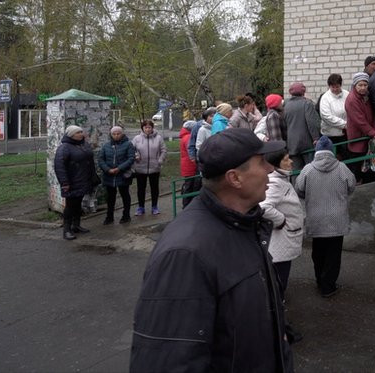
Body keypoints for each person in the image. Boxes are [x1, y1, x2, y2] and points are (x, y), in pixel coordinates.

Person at [130, 129, 292, 371]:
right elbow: (166, 359)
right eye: (262, 162)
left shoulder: (244, 224)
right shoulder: (185, 253)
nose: (270, 169)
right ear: (235, 178)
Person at [296, 136, 356, 298]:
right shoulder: (342, 168)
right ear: (331, 151)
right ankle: (328, 286)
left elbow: (299, 189)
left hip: (316, 219)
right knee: (333, 255)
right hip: (337, 220)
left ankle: (319, 280)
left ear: (317, 152)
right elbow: (352, 186)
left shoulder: (308, 169)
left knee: (318, 252)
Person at [259, 146, 305, 344]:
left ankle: (278, 328)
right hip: (280, 247)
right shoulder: (276, 183)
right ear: (276, 164)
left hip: (284, 244)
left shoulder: (282, 179)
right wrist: (281, 220)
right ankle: (278, 331)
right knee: (277, 289)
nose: (291, 161)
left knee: (278, 288)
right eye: (287, 159)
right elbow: (263, 207)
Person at [54, 125, 98, 240]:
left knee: (78, 204)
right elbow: (59, 167)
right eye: (78, 132)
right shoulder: (64, 148)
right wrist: (64, 183)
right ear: (71, 135)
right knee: (70, 206)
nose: (81, 134)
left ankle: (76, 226)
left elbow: (90, 161)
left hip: (83, 180)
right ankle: (66, 230)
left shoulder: (83, 144)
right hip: (72, 182)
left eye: (81, 132)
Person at [344, 72, 375, 183]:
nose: (363, 88)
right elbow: (359, 120)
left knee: (367, 165)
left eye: (365, 85)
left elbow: (371, 116)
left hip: (366, 137)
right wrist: (372, 132)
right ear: (355, 85)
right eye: (360, 85)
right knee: (356, 165)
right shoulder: (352, 99)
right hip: (357, 137)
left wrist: (373, 130)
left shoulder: (366, 97)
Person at [97, 126, 136, 225]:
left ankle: (126, 216)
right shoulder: (106, 146)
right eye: (114, 134)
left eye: (118, 133)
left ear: (122, 134)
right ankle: (109, 217)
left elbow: (131, 158)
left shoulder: (128, 144)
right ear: (111, 134)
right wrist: (107, 169)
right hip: (109, 175)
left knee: (125, 195)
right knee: (110, 197)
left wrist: (119, 168)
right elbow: (101, 159)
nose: (116, 135)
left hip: (123, 175)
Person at [131, 119, 166, 216]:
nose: (147, 129)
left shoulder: (158, 138)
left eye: (149, 127)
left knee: (154, 188)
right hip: (140, 168)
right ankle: (140, 207)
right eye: (145, 127)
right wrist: (135, 156)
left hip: (155, 167)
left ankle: (154, 206)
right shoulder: (137, 138)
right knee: (141, 189)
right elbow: (131, 150)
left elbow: (163, 150)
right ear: (142, 128)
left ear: (152, 128)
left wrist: (160, 160)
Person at [284, 82, 322, 172]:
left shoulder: (285, 105)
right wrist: (316, 138)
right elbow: (312, 122)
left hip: (291, 144)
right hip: (306, 144)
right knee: (311, 169)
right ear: (303, 92)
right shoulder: (307, 104)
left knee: (295, 171)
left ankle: (296, 186)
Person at [319, 73, 349, 148]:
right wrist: (344, 124)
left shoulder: (347, 94)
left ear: (341, 85)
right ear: (329, 86)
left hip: (344, 134)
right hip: (330, 135)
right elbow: (326, 116)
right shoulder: (325, 98)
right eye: (333, 87)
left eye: (337, 87)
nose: (335, 89)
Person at [179, 120, 201, 208]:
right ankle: (187, 205)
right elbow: (191, 151)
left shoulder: (184, 136)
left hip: (186, 165)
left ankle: (186, 205)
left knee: (188, 185)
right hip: (190, 165)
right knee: (190, 186)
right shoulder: (188, 137)